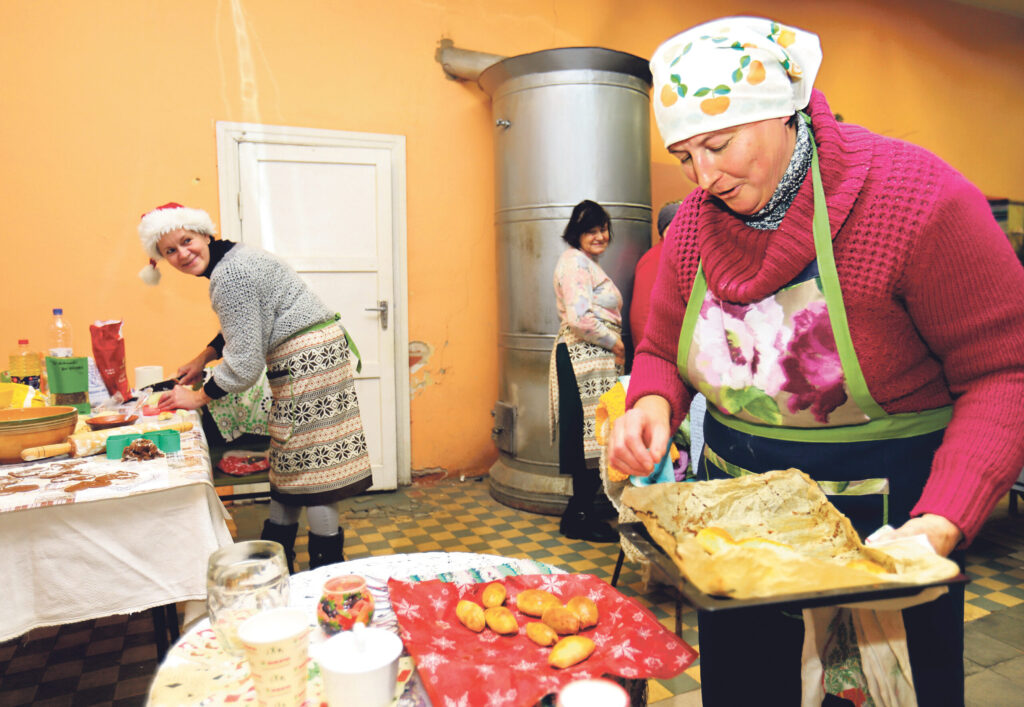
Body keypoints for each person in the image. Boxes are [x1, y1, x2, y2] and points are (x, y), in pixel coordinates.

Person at [608, 16, 1024, 706]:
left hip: (888, 527)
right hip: (732, 541)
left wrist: (944, 518)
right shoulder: (692, 229)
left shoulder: (914, 200)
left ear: (785, 113)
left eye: (718, 143)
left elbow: (1004, 369)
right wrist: (651, 404)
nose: (703, 177)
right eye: (685, 156)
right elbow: (659, 349)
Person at [136, 202, 372, 572]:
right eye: (170, 250)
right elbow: (247, 321)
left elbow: (244, 367)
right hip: (320, 358)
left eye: (187, 241)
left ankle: (327, 572)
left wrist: (196, 397)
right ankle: (276, 564)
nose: (183, 254)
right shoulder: (235, 258)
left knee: (315, 471)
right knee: (292, 463)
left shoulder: (229, 276)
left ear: (204, 234)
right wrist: (204, 357)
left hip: (306, 366)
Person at [549, 200, 624, 543]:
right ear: (576, 234)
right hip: (584, 358)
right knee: (589, 437)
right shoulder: (575, 263)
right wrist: (615, 342)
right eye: (591, 230)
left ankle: (577, 514)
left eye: (603, 228)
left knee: (593, 435)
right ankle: (580, 516)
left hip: (590, 359)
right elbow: (580, 319)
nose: (599, 236)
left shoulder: (584, 263)